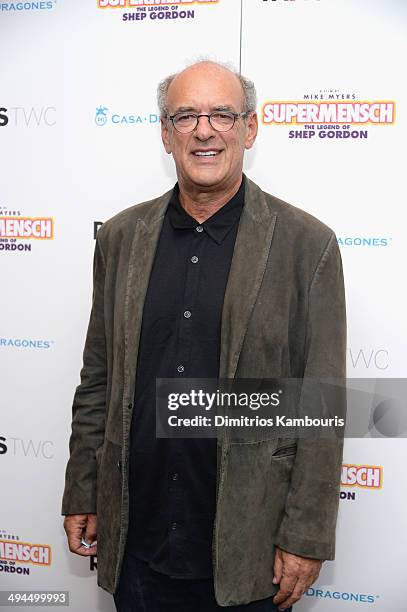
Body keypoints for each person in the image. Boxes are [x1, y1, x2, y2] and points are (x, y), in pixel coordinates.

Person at [62, 60, 346, 612]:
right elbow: (97, 379)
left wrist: (306, 536)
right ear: (165, 134)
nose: (204, 129)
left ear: (250, 128)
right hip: (137, 550)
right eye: (185, 115)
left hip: (247, 554)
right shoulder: (121, 238)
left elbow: (322, 401)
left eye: (221, 113)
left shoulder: (307, 246)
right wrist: (84, 489)